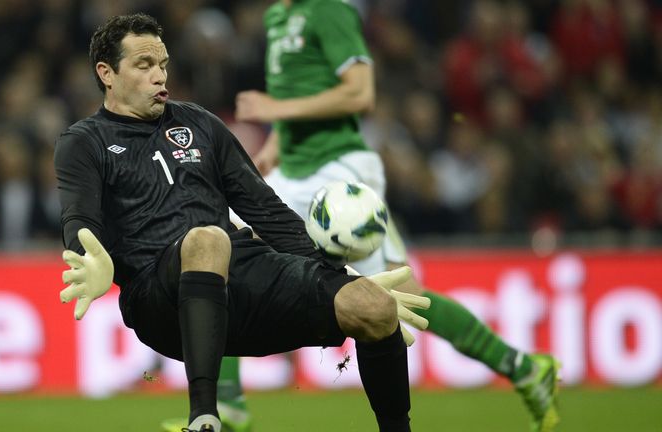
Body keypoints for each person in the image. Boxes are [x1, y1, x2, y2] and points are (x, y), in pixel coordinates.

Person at [164, 1, 561, 432]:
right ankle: (230, 404)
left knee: (400, 293)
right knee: (228, 248)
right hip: (295, 174)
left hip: (341, 170)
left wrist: (277, 110)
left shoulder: (329, 11)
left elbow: (359, 93)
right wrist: (268, 154)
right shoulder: (278, 18)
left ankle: (522, 367)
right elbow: (294, 102)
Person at [55, 13, 429, 432]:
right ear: (106, 73)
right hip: (160, 299)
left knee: (374, 307)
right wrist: (92, 259)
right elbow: (80, 219)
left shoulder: (200, 124)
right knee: (208, 239)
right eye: (144, 66)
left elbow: (264, 209)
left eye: (162, 64)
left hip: (244, 275)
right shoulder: (84, 142)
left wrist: (344, 277)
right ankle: (204, 416)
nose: (159, 75)